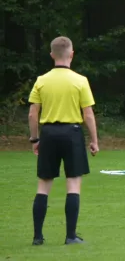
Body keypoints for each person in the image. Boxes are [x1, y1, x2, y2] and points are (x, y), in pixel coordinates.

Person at [28, 36, 99, 245]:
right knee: (73, 185)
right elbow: (88, 114)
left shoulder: (41, 80)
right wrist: (94, 140)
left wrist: (35, 139)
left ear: (52, 55)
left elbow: (33, 114)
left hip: (48, 133)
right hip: (72, 133)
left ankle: (38, 237)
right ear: (72, 54)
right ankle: (70, 236)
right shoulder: (80, 80)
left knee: (43, 186)